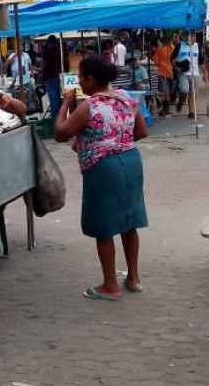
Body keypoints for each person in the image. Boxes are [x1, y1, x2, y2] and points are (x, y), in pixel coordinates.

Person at [55, 54, 149, 299]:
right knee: (130, 222)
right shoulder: (127, 98)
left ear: (90, 79)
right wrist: (118, 141)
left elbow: (60, 133)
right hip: (131, 161)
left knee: (104, 226)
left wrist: (65, 104)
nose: (79, 82)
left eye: (80, 78)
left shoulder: (91, 105)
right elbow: (141, 131)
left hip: (102, 167)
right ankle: (134, 278)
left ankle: (110, 285)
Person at [175, 33, 199, 117]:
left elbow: (201, 60)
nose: (194, 37)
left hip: (194, 73)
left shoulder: (197, 46)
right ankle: (181, 102)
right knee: (185, 90)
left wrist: (204, 73)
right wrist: (176, 68)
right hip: (183, 72)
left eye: (194, 36)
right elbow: (172, 59)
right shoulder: (179, 45)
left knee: (192, 93)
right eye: (192, 36)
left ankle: (191, 111)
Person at [152, 35, 175, 116]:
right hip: (170, 72)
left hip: (162, 72)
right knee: (168, 91)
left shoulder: (160, 50)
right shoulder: (172, 48)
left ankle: (165, 110)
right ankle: (166, 109)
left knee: (164, 91)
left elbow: (155, 61)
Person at [41, 35, 63, 120]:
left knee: (53, 98)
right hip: (59, 75)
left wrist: (43, 75)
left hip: (50, 76)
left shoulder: (47, 49)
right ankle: (60, 118)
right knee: (59, 97)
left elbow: (46, 64)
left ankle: (55, 119)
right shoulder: (59, 48)